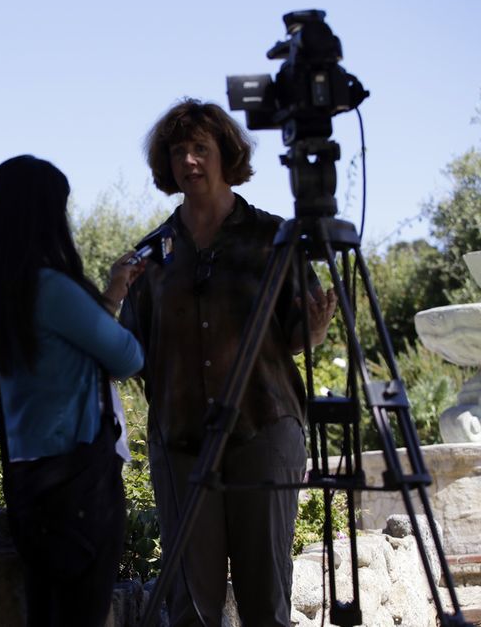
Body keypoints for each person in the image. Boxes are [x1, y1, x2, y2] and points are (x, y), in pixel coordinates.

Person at [120, 99, 337, 627]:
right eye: (178, 151)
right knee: (193, 606)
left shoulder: (274, 238)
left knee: (266, 598)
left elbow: (295, 335)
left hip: (263, 432)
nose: (189, 160)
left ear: (226, 154)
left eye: (201, 148)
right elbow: (126, 350)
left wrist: (313, 330)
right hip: (181, 444)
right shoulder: (151, 255)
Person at [0, 155, 145, 627]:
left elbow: (61, 355)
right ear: (46, 216)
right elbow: (128, 357)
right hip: (82, 480)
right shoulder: (53, 289)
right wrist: (109, 302)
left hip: (27, 480)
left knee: (48, 615)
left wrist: (111, 296)